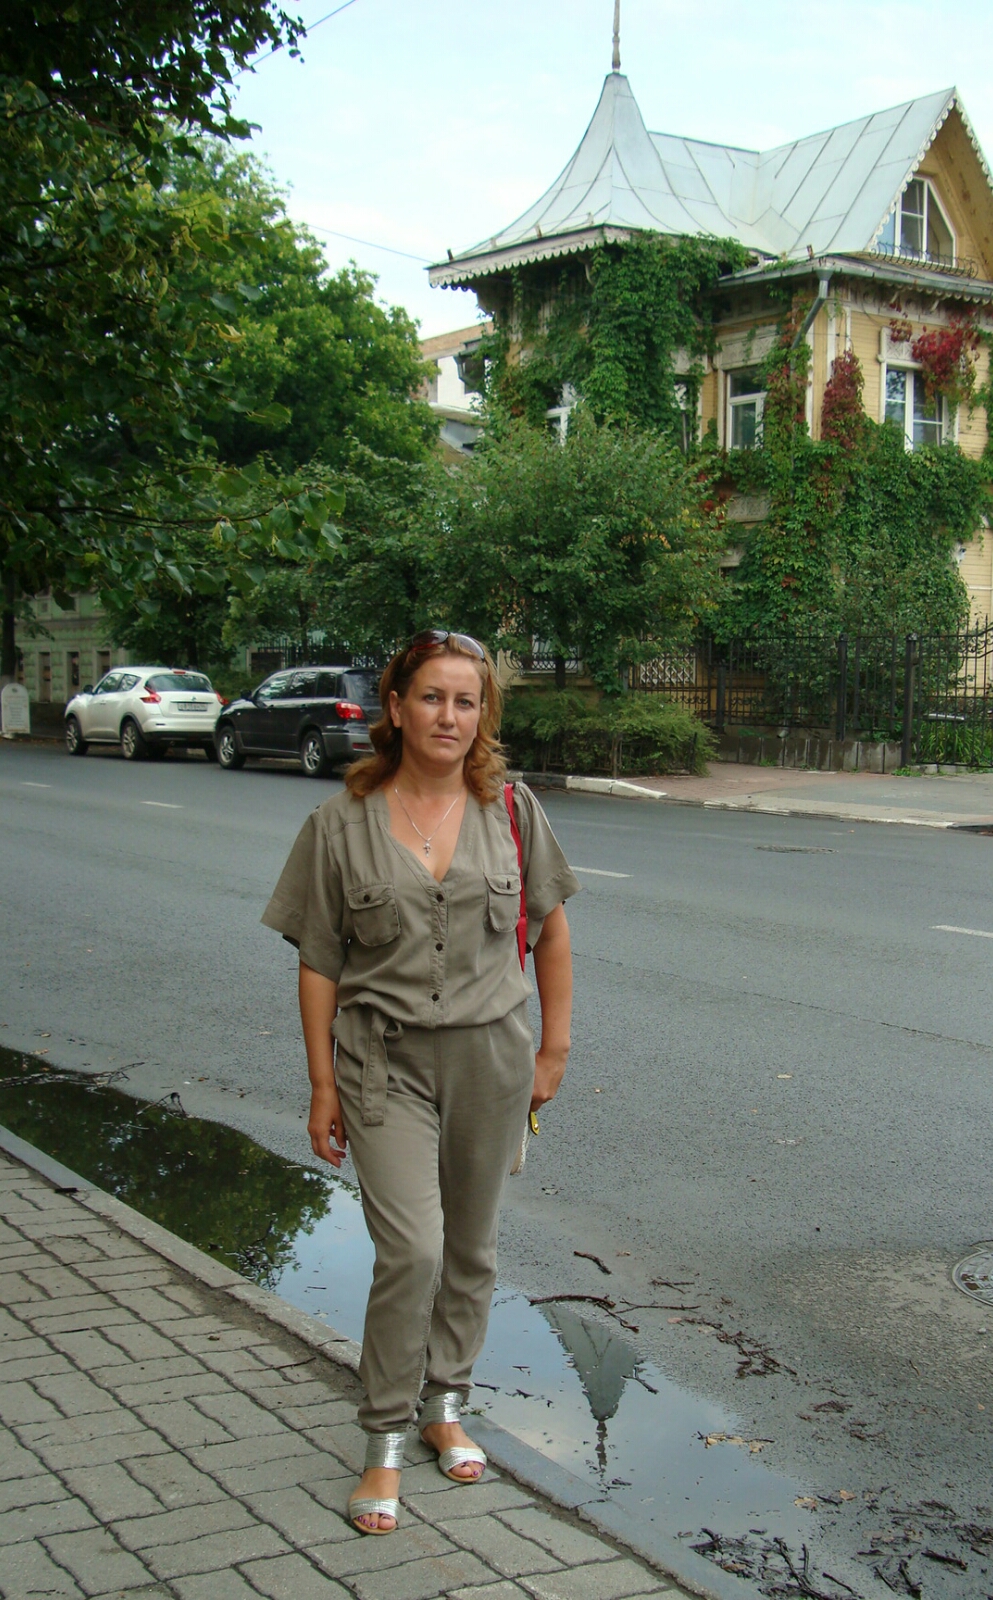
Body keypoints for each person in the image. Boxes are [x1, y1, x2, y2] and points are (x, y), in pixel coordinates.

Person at [261, 630, 579, 1535]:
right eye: (432, 697)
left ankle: (445, 1404)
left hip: (490, 1058)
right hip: (382, 1059)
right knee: (413, 1251)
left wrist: (552, 1052)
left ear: (482, 716)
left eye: (465, 701)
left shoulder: (511, 810)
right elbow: (317, 961)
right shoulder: (338, 825)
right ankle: (384, 1438)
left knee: (471, 1249)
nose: (449, 715)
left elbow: (550, 929)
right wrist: (321, 1085)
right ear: (395, 708)